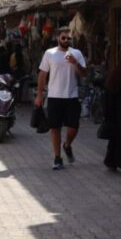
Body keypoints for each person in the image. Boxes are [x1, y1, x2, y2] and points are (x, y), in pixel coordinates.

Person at [35, 27, 87, 170]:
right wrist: (39, 94)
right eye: (63, 38)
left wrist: (75, 63)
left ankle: (67, 145)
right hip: (54, 97)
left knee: (73, 128)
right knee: (55, 128)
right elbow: (42, 75)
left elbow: (84, 74)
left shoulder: (76, 53)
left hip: (72, 96)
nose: (66, 40)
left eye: (69, 38)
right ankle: (57, 158)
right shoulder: (49, 53)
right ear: (58, 38)